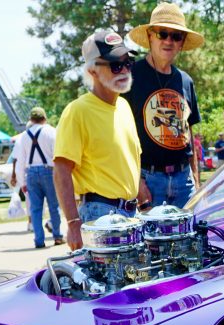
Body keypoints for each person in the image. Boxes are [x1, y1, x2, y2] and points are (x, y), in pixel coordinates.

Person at [54, 30, 142, 251]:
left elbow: (129, 161)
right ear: (92, 70)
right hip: (100, 214)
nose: (124, 70)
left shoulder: (123, 106)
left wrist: (143, 202)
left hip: (131, 214)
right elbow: (61, 170)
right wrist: (73, 223)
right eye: (115, 65)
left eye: (128, 63)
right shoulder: (78, 111)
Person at [125, 3, 204, 208]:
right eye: (163, 33)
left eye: (176, 36)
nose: (169, 40)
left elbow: (189, 133)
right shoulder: (131, 76)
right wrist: (136, 180)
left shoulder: (186, 81)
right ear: (151, 36)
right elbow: (121, 133)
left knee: (189, 238)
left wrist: (195, 178)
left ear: (181, 43)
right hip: (148, 179)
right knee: (152, 240)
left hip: (183, 180)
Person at [15, 107, 62, 248]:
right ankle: (57, 236)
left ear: (31, 119)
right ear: (44, 118)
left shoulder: (23, 136)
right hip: (49, 171)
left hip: (31, 173)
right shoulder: (51, 132)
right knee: (54, 206)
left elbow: (20, 161)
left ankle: (39, 240)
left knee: (35, 209)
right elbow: (57, 156)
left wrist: (22, 181)